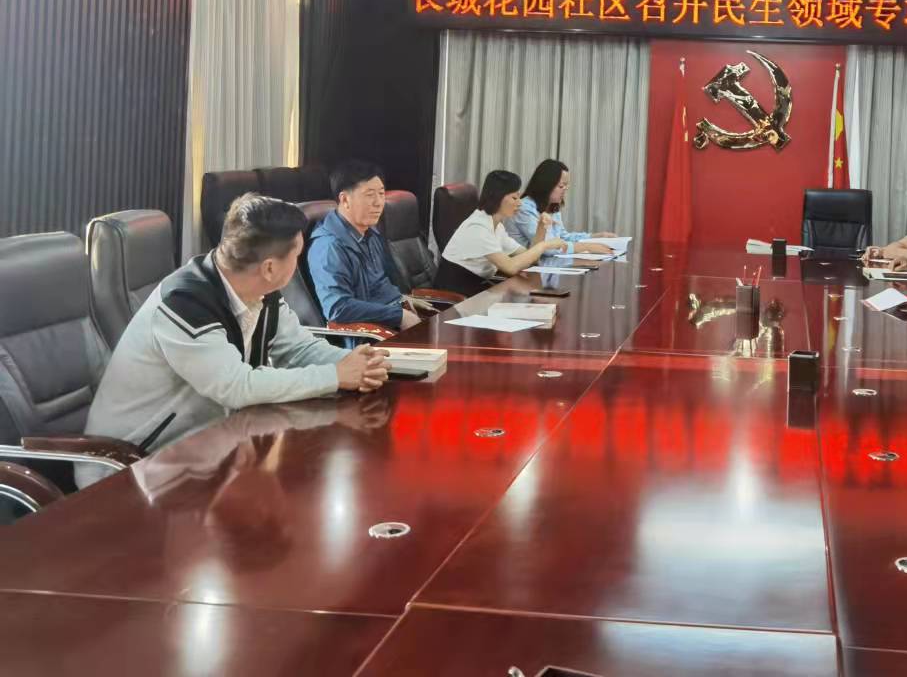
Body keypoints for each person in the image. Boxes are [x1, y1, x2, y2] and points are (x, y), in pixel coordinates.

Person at [79, 194, 391, 486]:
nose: (298, 263)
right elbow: (236, 386)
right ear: (270, 268)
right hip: (131, 464)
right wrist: (335, 375)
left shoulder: (260, 291)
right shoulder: (184, 304)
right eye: (296, 255)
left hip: (207, 447)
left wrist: (355, 364)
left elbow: (297, 348)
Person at [308, 159, 419, 331]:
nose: (378, 202)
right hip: (367, 335)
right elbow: (338, 308)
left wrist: (402, 300)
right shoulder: (329, 246)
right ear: (345, 199)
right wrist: (398, 315)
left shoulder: (370, 233)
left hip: (387, 319)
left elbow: (379, 284)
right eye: (369, 195)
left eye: (381, 194)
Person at [443, 169, 567, 280]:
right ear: (498, 197)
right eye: (514, 198)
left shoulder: (497, 226)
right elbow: (510, 267)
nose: (520, 203)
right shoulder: (478, 227)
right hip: (456, 290)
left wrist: (541, 228)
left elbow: (530, 257)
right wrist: (544, 245)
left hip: (477, 285)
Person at [507, 158, 616, 255]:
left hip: (544, 265)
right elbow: (546, 247)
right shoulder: (524, 208)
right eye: (561, 186)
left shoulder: (552, 206)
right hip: (523, 267)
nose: (565, 190)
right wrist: (586, 247)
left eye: (566, 186)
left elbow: (562, 237)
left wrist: (595, 236)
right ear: (545, 185)